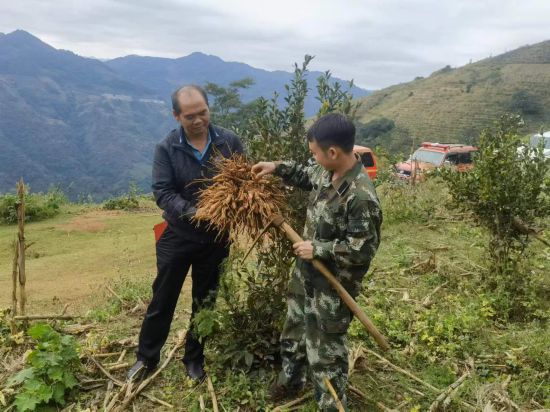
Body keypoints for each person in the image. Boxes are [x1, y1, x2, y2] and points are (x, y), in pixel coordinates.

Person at [252, 113, 382, 411]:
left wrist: (320, 249)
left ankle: (331, 405)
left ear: (333, 152)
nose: (313, 159)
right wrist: (276, 168)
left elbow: (362, 250)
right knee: (295, 329)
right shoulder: (327, 173)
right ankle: (291, 379)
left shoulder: (360, 197)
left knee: (326, 351)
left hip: (332, 288)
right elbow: (303, 174)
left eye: (315, 153)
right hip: (305, 275)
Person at [127, 85, 244, 382]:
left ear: (209, 109)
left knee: (205, 301)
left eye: (202, 113)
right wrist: (195, 212)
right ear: (176, 116)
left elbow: (243, 179)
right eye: (190, 116)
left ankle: (194, 358)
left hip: (216, 239)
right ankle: (146, 358)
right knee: (162, 299)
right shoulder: (166, 148)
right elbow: (162, 192)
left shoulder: (229, 142)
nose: (198, 120)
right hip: (177, 236)